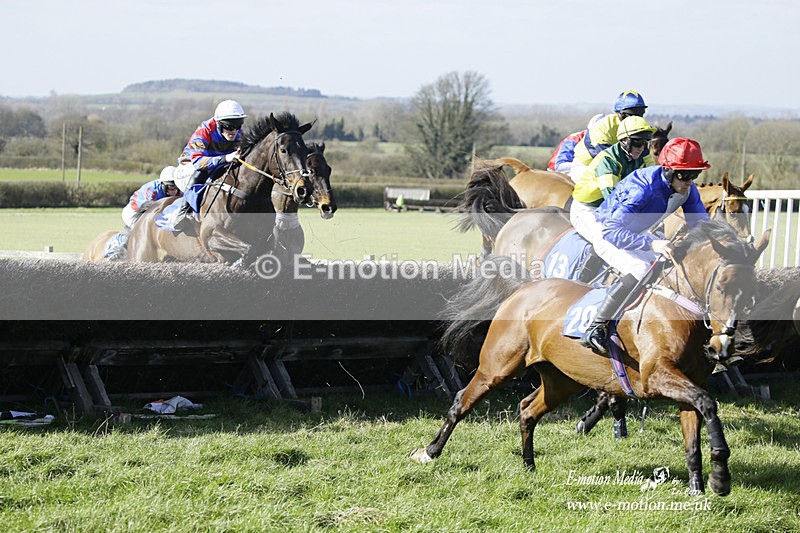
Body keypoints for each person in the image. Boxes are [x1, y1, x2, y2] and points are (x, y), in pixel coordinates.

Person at [580, 138, 712, 355]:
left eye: (694, 174)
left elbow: (702, 225)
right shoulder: (642, 189)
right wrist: (652, 243)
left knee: (670, 264)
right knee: (641, 269)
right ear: (668, 171)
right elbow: (611, 231)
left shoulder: (687, 189)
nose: (689, 181)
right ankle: (596, 327)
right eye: (684, 175)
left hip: (636, 231)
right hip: (606, 231)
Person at [570, 116, 656, 244]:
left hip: (607, 208)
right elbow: (612, 200)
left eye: (645, 143)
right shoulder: (608, 160)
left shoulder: (640, 159)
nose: (642, 148)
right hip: (588, 208)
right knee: (607, 241)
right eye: (638, 143)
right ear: (624, 140)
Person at [168, 99, 246, 229]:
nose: (234, 131)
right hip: (188, 168)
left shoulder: (239, 134)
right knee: (200, 171)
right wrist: (225, 158)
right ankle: (184, 211)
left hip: (216, 166)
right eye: (229, 126)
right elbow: (199, 162)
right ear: (218, 123)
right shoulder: (204, 131)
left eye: (238, 126)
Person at [569, 90, 652, 180]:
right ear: (620, 114)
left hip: (615, 167)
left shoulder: (638, 128)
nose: (635, 120)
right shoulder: (604, 127)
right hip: (585, 166)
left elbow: (647, 159)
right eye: (632, 115)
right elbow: (606, 160)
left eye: (639, 115)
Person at [104, 166, 183, 260]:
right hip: (136, 212)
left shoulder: (179, 192)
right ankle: (117, 247)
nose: (174, 191)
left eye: (176, 187)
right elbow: (150, 211)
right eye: (171, 188)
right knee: (140, 232)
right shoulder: (152, 190)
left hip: (153, 212)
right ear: (163, 185)